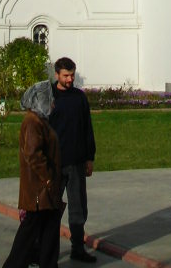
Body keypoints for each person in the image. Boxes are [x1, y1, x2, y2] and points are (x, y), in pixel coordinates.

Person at [1, 80, 65, 268]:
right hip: (39, 191)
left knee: (48, 230)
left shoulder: (40, 121)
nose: (52, 104)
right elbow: (33, 154)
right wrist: (48, 178)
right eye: (49, 100)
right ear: (40, 101)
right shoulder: (33, 122)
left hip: (44, 190)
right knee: (29, 233)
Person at [49, 56, 97, 263]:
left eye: (72, 75)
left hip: (76, 162)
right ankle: (46, 253)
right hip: (54, 164)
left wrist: (89, 157)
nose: (70, 80)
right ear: (56, 75)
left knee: (78, 209)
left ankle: (78, 248)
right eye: (66, 76)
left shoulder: (79, 98)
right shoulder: (48, 97)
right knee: (50, 209)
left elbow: (87, 128)